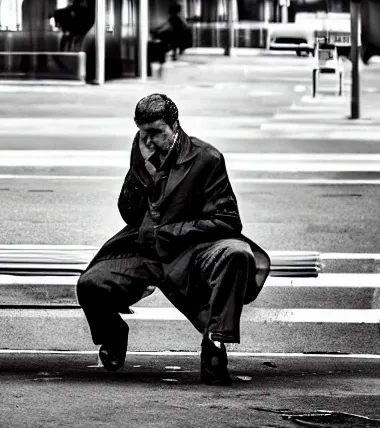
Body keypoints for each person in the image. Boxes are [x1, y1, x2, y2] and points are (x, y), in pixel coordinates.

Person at [77, 93, 270, 386]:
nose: (150, 140)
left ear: (175, 125)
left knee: (237, 255)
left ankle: (215, 344)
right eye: (144, 133)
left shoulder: (207, 158)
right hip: (145, 248)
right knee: (90, 284)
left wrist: (171, 233)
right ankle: (113, 335)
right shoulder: (142, 150)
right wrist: (140, 172)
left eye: (157, 133)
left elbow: (229, 220)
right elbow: (128, 213)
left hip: (192, 249)